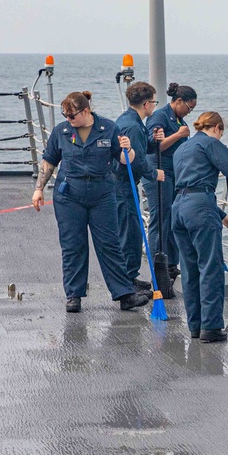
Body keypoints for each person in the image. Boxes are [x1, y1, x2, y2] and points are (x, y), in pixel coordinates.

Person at [31, 91, 150, 313]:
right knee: (73, 245)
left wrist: (129, 148)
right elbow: (49, 161)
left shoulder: (109, 128)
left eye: (72, 115)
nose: (68, 119)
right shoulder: (61, 131)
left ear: (86, 111)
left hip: (102, 193)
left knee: (110, 244)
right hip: (69, 195)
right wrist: (38, 189)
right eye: (65, 115)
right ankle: (74, 295)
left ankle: (124, 294)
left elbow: (125, 160)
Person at [170, 111, 228, 343]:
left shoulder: (182, 148)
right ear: (217, 128)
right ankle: (211, 327)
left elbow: (188, 184)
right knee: (210, 267)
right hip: (200, 207)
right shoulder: (210, 143)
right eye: (222, 133)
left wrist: (220, 215)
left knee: (189, 269)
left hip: (179, 208)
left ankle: (195, 326)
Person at [114, 81, 165, 291]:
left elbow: (140, 148)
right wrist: (154, 174)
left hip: (124, 183)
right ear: (146, 104)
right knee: (130, 232)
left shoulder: (131, 121)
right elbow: (136, 159)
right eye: (153, 102)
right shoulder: (133, 126)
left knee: (130, 230)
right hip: (123, 185)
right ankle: (128, 280)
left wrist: (153, 140)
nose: (154, 105)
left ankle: (129, 276)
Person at [145, 82, 197, 284]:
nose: (190, 112)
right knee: (161, 217)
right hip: (159, 170)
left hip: (176, 173)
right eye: (189, 107)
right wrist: (178, 134)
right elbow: (154, 148)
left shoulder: (178, 118)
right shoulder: (160, 116)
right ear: (179, 101)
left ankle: (172, 264)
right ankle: (158, 268)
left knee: (175, 216)